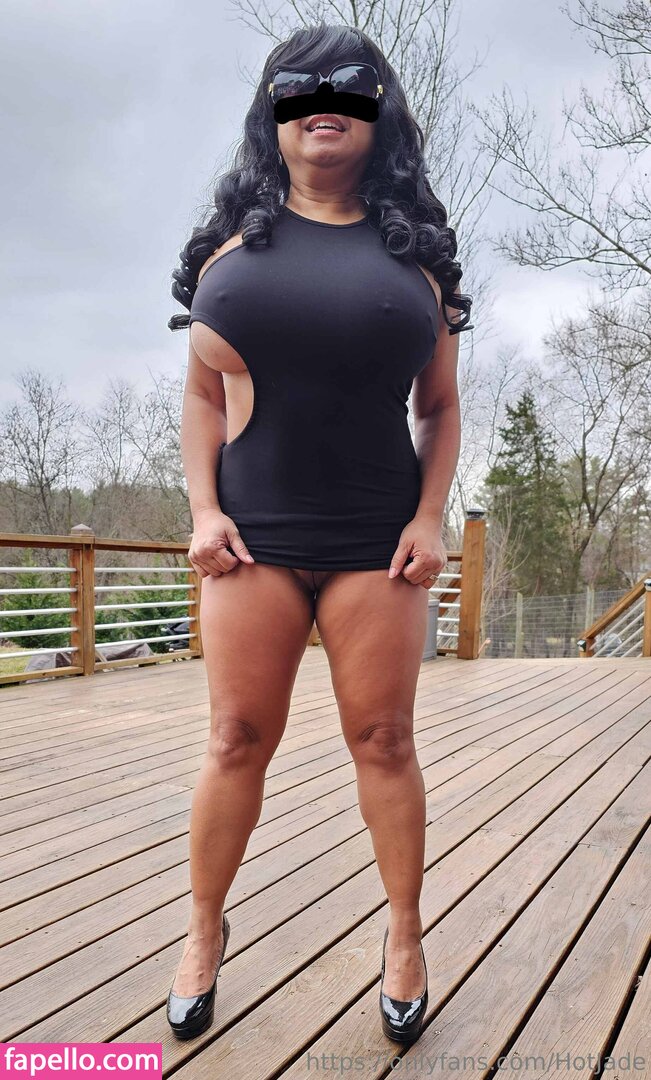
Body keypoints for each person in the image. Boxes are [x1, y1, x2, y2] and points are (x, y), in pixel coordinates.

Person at [166, 21, 473, 1044]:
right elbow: (201, 396)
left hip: (377, 541)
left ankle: (405, 935)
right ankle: (202, 931)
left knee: (384, 740)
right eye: (298, 85)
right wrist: (203, 510)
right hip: (248, 538)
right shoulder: (229, 253)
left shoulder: (415, 263)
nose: (323, 99)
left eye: (349, 83)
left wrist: (429, 518)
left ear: (380, 112)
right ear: (274, 113)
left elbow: (440, 407)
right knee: (234, 739)